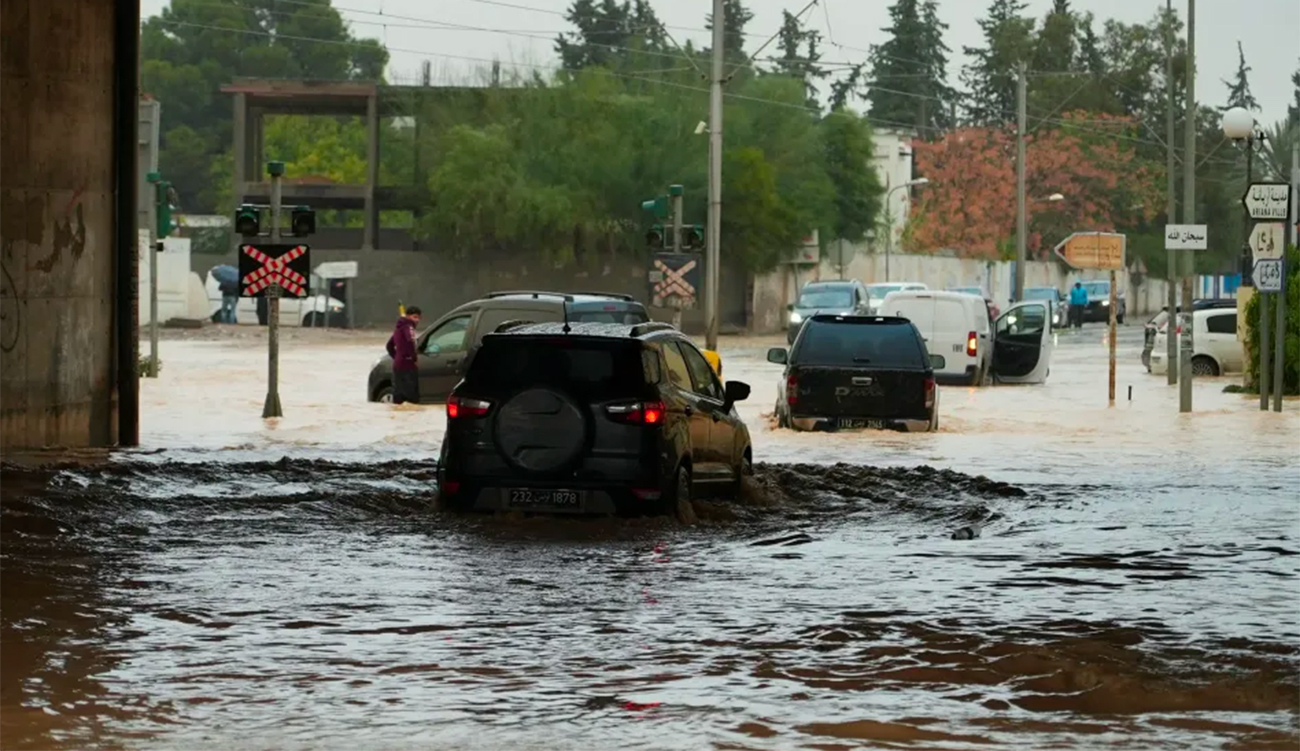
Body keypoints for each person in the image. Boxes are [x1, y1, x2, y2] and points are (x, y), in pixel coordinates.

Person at [387, 306, 422, 404]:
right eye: (415, 317)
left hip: (398, 366)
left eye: (418, 317)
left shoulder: (398, 328)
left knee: (399, 399)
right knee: (412, 399)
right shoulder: (408, 327)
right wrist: (414, 358)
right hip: (408, 366)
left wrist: (397, 357)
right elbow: (410, 341)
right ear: (408, 316)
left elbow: (389, 346)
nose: (417, 320)